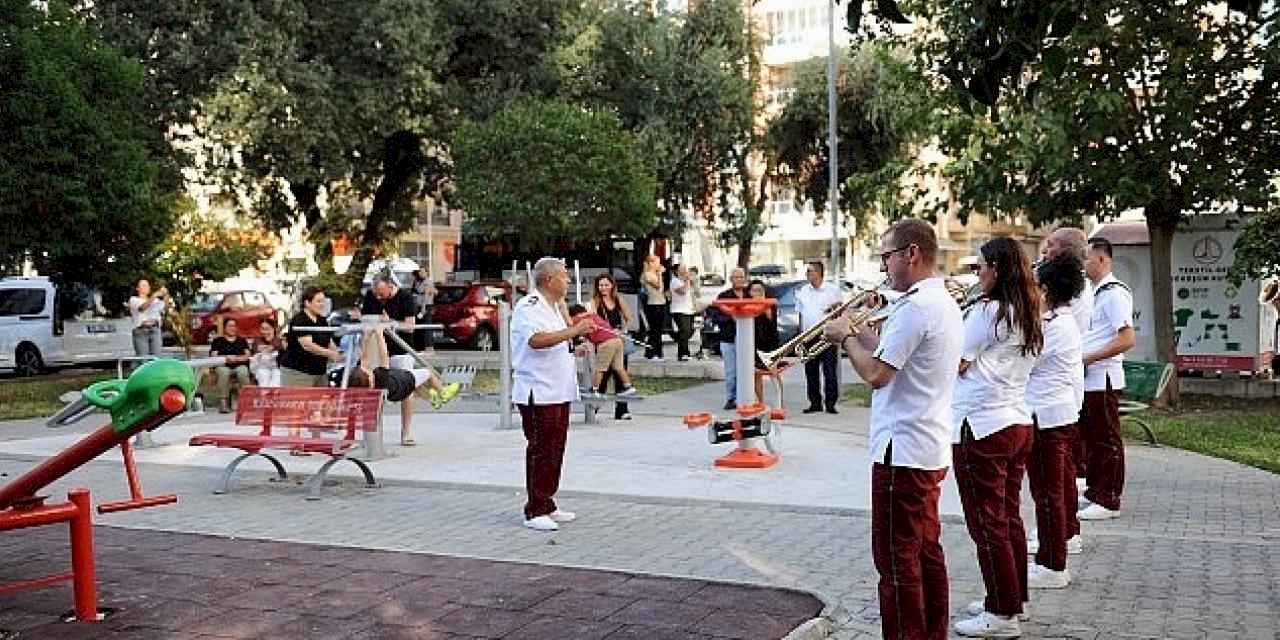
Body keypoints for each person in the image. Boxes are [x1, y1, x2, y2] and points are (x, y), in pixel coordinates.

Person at [822, 219, 963, 640]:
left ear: (912, 254)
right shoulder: (938, 302)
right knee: (926, 554)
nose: (883, 265)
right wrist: (862, 331)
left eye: (887, 255)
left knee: (896, 561)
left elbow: (877, 374)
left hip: (900, 451)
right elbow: (895, 353)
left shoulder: (915, 308)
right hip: (927, 445)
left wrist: (844, 338)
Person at [950, 237, 1043, 638]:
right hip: (1015, 420)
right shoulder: (1027, 309)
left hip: (982, 425)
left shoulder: (988, 311)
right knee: (1007, 518)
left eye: (981, 266)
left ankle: (1002, 613)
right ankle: (1010, 596)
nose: (978, 273)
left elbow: (955, 362)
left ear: (998, 269)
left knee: (987, 524)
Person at [512, 257, 593, 532]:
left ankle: (547, 502)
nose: (569, 281)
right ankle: (534, 508)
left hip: (558, 388)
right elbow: (536, 340)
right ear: (549, 279)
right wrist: (575, 330)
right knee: (540, 448)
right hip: (538, 389)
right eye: (565, 276)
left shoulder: (555, 307)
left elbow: (557, 339)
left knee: (556, 448)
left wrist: (574, 346)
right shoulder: (528, 306)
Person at [1025, 253, 1087, 591]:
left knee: (1047, 493)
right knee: (1052, 489)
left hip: (1048, 416)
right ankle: (1056, 548)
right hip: (1051, 413)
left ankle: (1053, 563)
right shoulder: (1055, 320)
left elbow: (1023, 361)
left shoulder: (1056, 325)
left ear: (1046, 288)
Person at [1037, 226, 1093, 541]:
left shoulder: (1061, 317)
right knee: (1057, 481)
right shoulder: (1057, 316)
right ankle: (1062, 535)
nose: (1047, 249)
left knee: (1052, 486)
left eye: (1053, 246)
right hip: (1057, 401)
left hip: (1053, 405)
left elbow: (1028, 361)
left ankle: (1058, 544)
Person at [1077, 237, 1136, 521]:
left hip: (1103, 377)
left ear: (1102, 259)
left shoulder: (1114, 293)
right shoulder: (1095, 293)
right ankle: (1095, 491)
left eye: (1086, 259)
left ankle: (1109, 497)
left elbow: (1126, 338)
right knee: (1093, 439)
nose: (1083, 265)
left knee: (1106, 440)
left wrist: (1089, 358)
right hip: (1090, 379)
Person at [338, 327, 461, 446]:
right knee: (428, 372)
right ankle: (443, 393)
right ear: (369, 380)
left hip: (396, 382)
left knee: (420, 382)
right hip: (404, 383)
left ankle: (433, 398)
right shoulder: (380, 378)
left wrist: (368, 336)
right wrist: (380, 335)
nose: (368, 369)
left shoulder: (364, 388)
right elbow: (384, 356)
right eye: (368, 372)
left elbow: (364, 358)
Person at [796, 261, 844, 415]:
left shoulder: (832, 290)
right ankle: (814, 403)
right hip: (808, 335)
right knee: (811, 371)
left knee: (830, 371)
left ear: (819, 272)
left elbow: (840, 312)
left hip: (827, 335)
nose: (808, 274)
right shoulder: (803, 290)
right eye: (808, 272)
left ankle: (831, 404)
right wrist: (800, 336)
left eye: (810, 271)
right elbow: (800, 314)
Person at [589, 273, 636, 420]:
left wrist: (622, 330)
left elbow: (629, 318)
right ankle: (594, 407)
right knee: (603, 374)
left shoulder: (618, 299)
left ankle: (622, 409)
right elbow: (591, 319)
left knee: (619, 373)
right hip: (604, 341)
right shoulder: (595, 301)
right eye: (600, 285)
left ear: (612, 286)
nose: (603, 288)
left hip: (618, 339)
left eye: (606, 285)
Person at [568, 303, 639, 398]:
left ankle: (594, 390)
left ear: (574, 315)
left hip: (606, 343)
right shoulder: (593, 315)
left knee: (599, 367)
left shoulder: (580, 319)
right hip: (617, 340)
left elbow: (580, 331)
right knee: (618, 366)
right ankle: (629, 387)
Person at [279, 287, 343, 388]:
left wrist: (337, 353)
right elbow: (308, 345)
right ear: (307, 303)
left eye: (323, 301)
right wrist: (330, 353)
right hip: (298, 372)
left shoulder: (322, 320)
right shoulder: (300, 320)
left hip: (319, 372)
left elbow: (328, 340)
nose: (322, 304)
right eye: (318, 301)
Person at [355, 275, 417, 356]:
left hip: (400, 350)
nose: (378, 297)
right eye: (375, 293)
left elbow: (410, 327)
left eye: (381, 293)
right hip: (375, 350)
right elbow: (364, 317)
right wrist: (361, 317)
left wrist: (390, 322)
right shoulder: (370, 295)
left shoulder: (406, 297)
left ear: (390, 287)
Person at [714, 268, 749, 409]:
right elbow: (716, 316)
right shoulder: (724, 296)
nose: (739, 280)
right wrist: (731, 318)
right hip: (728, 339)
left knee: (746, 371)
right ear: (731, 279)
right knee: (731, 372)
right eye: (736, 277)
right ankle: (731, 398)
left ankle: (746, 398)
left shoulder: (749, 295)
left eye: (741, 277)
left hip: (747, 340)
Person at [208, 318, 253, 413]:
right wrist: (226, 357)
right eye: (230, 326)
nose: (232, 328)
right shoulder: (218, 341)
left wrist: (236, 358)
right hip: (223, 365)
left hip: (239, 365)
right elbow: (213, 355)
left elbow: (247, 355)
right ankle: (223, 402)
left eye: (234, 326)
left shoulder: (241, 340)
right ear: (225, 328)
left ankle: (246, 401)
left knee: (243, 371)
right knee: (223, 372)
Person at [749, 279, 780, 405]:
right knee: (756, 375)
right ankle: (760, 402)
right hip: (754, 344)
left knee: (774, 373)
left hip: (769, 344)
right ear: (750, 292)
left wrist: (762, 303)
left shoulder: (769, 304)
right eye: (755, 290)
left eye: (760, 290)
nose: (757, 293)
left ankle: (779, 402)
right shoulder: (747, 306)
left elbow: (771, 321)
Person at [128, 278, 168, 359]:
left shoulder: (155, 300)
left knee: (157, 358)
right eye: (143, 285)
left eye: (147, 285)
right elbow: (142, 308)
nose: (147, 287)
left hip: (155, 330)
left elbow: (164, 307)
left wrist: (166, 294)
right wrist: (154, 295)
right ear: (137, 288)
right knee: (143, 359)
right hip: (141, 331)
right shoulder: (134, 300)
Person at [640, 255, 667, 361]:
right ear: (651, 263)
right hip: (653, 304)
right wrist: (660, 274)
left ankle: (655, 352)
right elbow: (658, 287)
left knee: (658, 330)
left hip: (660, 302)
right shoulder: (647, 275)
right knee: (654, 330)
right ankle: (653, 352)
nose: (659, 265)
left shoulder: (655, 274)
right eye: (657, 262)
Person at [669, 264, 695, 361]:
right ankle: (683, 354)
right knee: (684, 332)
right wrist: (688, 280)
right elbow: (683, 291)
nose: (685, 271)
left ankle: (685, 352)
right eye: (682, 269)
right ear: (676, 271)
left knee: (688, 332)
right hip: (678, 310)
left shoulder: (683, 281)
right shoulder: (674, 281)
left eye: (686, 269)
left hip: (687, 309)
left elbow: (693, 292)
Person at [250, 320, 283, 388]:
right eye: (262, 329)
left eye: (267, 329)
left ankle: (274, 397)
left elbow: (276, 347)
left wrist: (271, 347)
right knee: (263, 379)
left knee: (277, 380)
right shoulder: (257, 340)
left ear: (273, 329)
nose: (265, 332)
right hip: (262, 368)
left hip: (277, 368)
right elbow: (257, 350)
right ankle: (264, 397)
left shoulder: (279, 340)